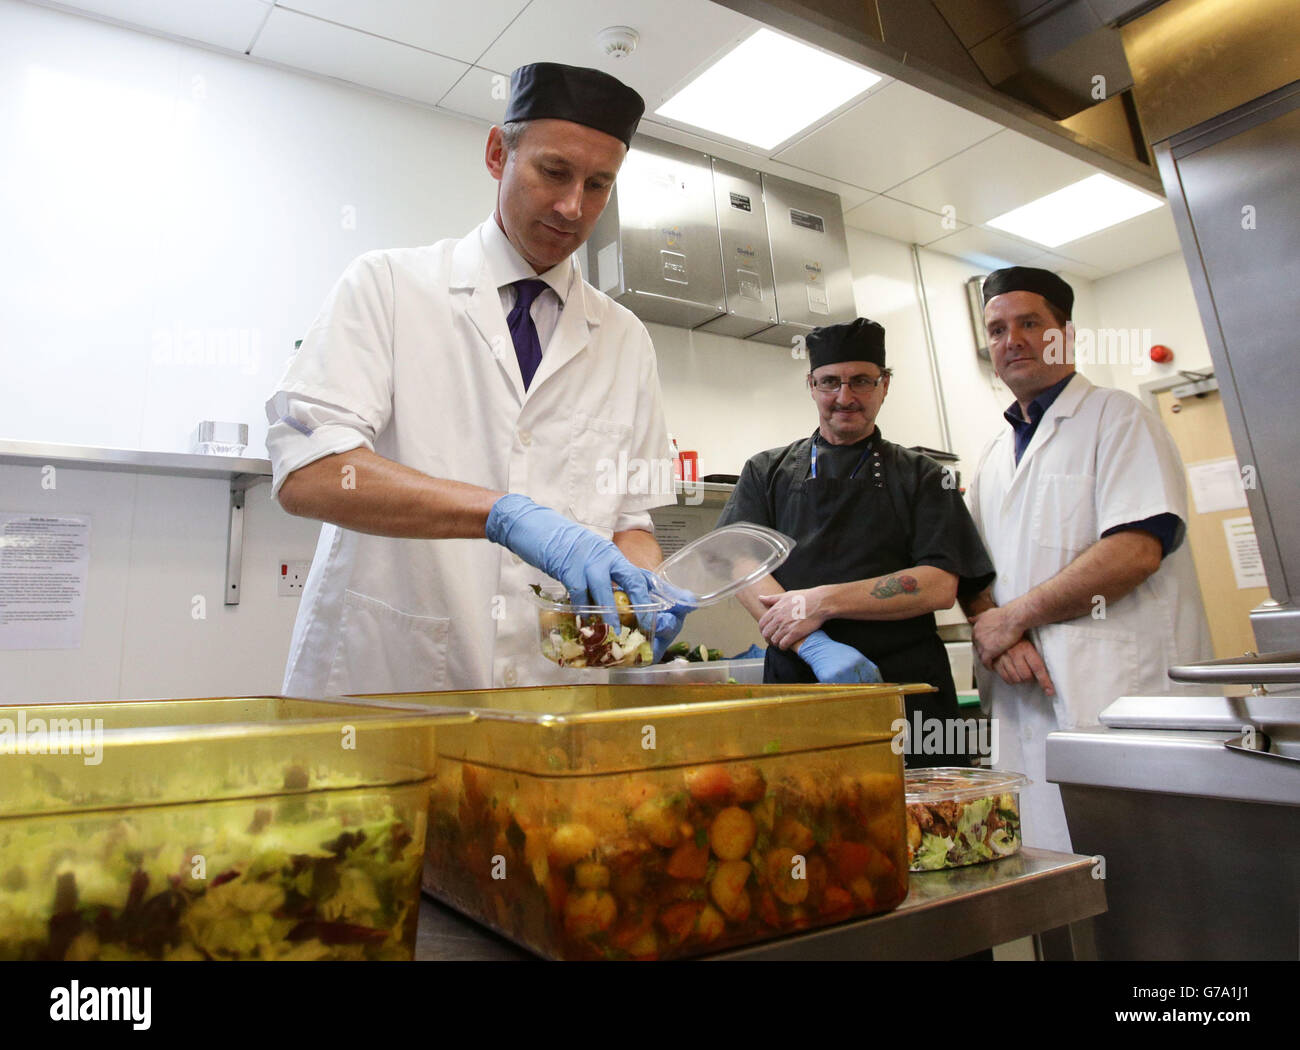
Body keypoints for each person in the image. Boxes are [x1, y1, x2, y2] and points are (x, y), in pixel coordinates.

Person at [264, 62, 689, 697]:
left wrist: (640, 590)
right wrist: (501, 514)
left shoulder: (626, 340)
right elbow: (309, 473)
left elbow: (632, 520)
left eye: (599, 185)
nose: (574, 206)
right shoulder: (387, 285)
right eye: (554, 172)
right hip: (389, 682)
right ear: (498, 153)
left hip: (553, 697)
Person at [963, 266, 1213, 851]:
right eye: (997, 329)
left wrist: (1013, 617)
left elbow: (1135, 551)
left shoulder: (1120, 417)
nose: (1012, 340)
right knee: (1052, 868)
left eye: (1030, 323)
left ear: (1066, 335)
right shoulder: (994, 453)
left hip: (1118, 694)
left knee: (1147, 875)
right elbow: (971, 567)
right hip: (1025, 696)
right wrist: (999, 628)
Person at [716, 318, 996, 768]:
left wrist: (823, 602)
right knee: (802, 818)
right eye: (829, 382)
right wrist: (813, 645)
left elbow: (940, 585)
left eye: (861, 381)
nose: (844, 398)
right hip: (800, 683)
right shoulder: (765, 472)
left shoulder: (924, 477)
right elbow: (737, 560)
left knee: (924, 824)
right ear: (811, 385)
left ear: (885, 385)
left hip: (906, 691)